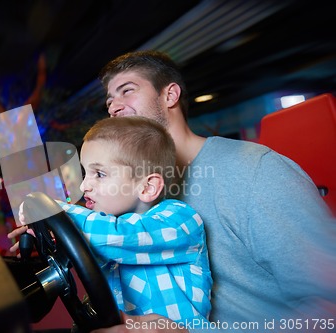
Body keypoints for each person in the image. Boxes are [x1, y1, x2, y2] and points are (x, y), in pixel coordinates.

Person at [89, 50, 336, 332]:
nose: (114, 108)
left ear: (169, 96)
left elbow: (329, 306)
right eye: (110, 101)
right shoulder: (138, 188)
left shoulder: (254, 171)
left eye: (127, 91)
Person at [13, 116, 213, 324]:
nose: (83, 187)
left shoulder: (181, 220)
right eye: (85, 173)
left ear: (147, 187)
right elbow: (79, 254)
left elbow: (121, 236)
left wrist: (54, 210)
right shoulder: (103, 230)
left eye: (99, 174)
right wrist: (47, 235)